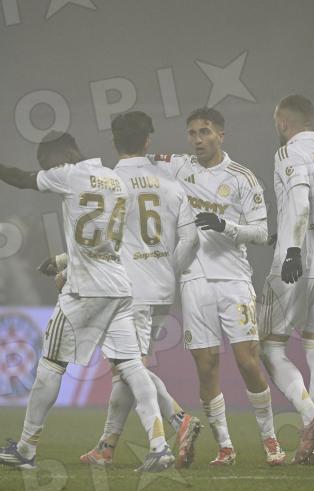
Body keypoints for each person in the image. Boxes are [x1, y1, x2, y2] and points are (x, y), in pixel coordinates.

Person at [0, 132, 174, 472]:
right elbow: (108, 240)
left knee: (50, 364)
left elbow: (21, 179)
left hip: (85, 290)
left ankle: (25, 450)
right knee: (132, 366)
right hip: (120, 286)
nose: (45, 169)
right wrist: (65, 261)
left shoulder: (68, 175)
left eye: (45, 163)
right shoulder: (115, 180)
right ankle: (160, 447)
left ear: (56, 157)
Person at [42, 111, 203, 468]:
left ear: (114, 142)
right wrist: (168, 269)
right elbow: (192, 239)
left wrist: (69, 270)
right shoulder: (171, 184)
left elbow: (97, 240)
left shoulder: (109, 182)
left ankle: (179, 419)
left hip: (127, 289)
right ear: (148, 141)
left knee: (129, 367)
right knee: (125, 368)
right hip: (162, 289)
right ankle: (107, 446)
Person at [151, 108, 285, 466]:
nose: (198, 139)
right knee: (206, 364)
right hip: (193, 279)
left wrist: (224, 225)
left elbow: (262, 232)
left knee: (248, 361)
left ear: (220, 135)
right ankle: (225, 446)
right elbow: (139, 162)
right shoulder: (179, 167)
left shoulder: (242, 178)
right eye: (192, 133)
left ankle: (270, 440)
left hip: (234, 280)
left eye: (205, 132)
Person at [258, 95, 314, 465]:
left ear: (283, 122)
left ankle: (311, 418)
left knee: (269, 346)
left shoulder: (288, 153)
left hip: (296, 263)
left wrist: (292, 248)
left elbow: (298, 201)